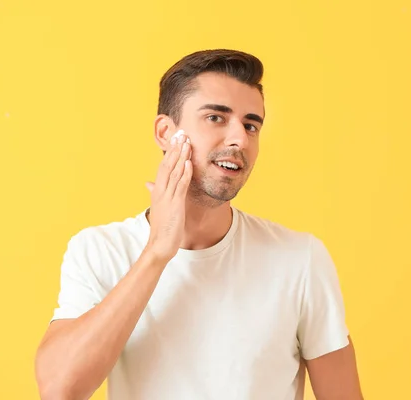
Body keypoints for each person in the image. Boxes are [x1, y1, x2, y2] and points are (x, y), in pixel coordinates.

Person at [34, 49, 365, 400]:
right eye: (216, 118)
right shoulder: (100, 250)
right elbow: (59, 389)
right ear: (165, 132)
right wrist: (157, 252)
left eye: (251, 125)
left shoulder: (300, 259)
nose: (240, 139)